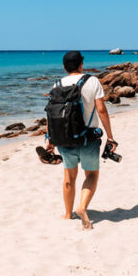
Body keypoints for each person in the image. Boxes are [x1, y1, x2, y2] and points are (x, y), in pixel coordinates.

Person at [45, 50, 116, 230]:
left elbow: (52, 115)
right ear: (81, 64)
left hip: (64, 139)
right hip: (88, 139)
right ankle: (82, 207)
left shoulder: (57, 84)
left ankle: (68, 214)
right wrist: (110, 136)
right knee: (91, 175)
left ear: (64, 67)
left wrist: (49, 138)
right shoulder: (92, 81)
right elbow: (101, 110)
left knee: (69, 177)